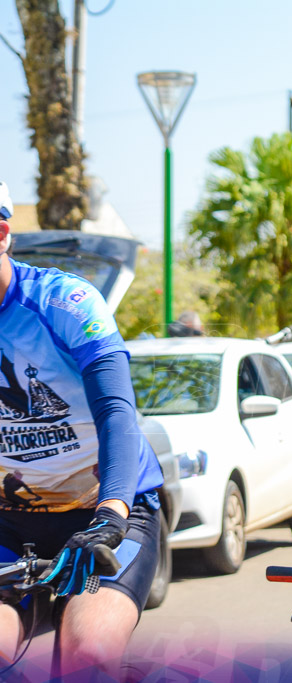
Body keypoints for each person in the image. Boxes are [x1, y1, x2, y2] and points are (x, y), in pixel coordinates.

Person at [0, 181, 164, 676]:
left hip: (106, 512)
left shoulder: (64, 302)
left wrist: (111, 513)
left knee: (87, 653)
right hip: (10, 521)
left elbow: (117, 411)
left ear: (2, 233)